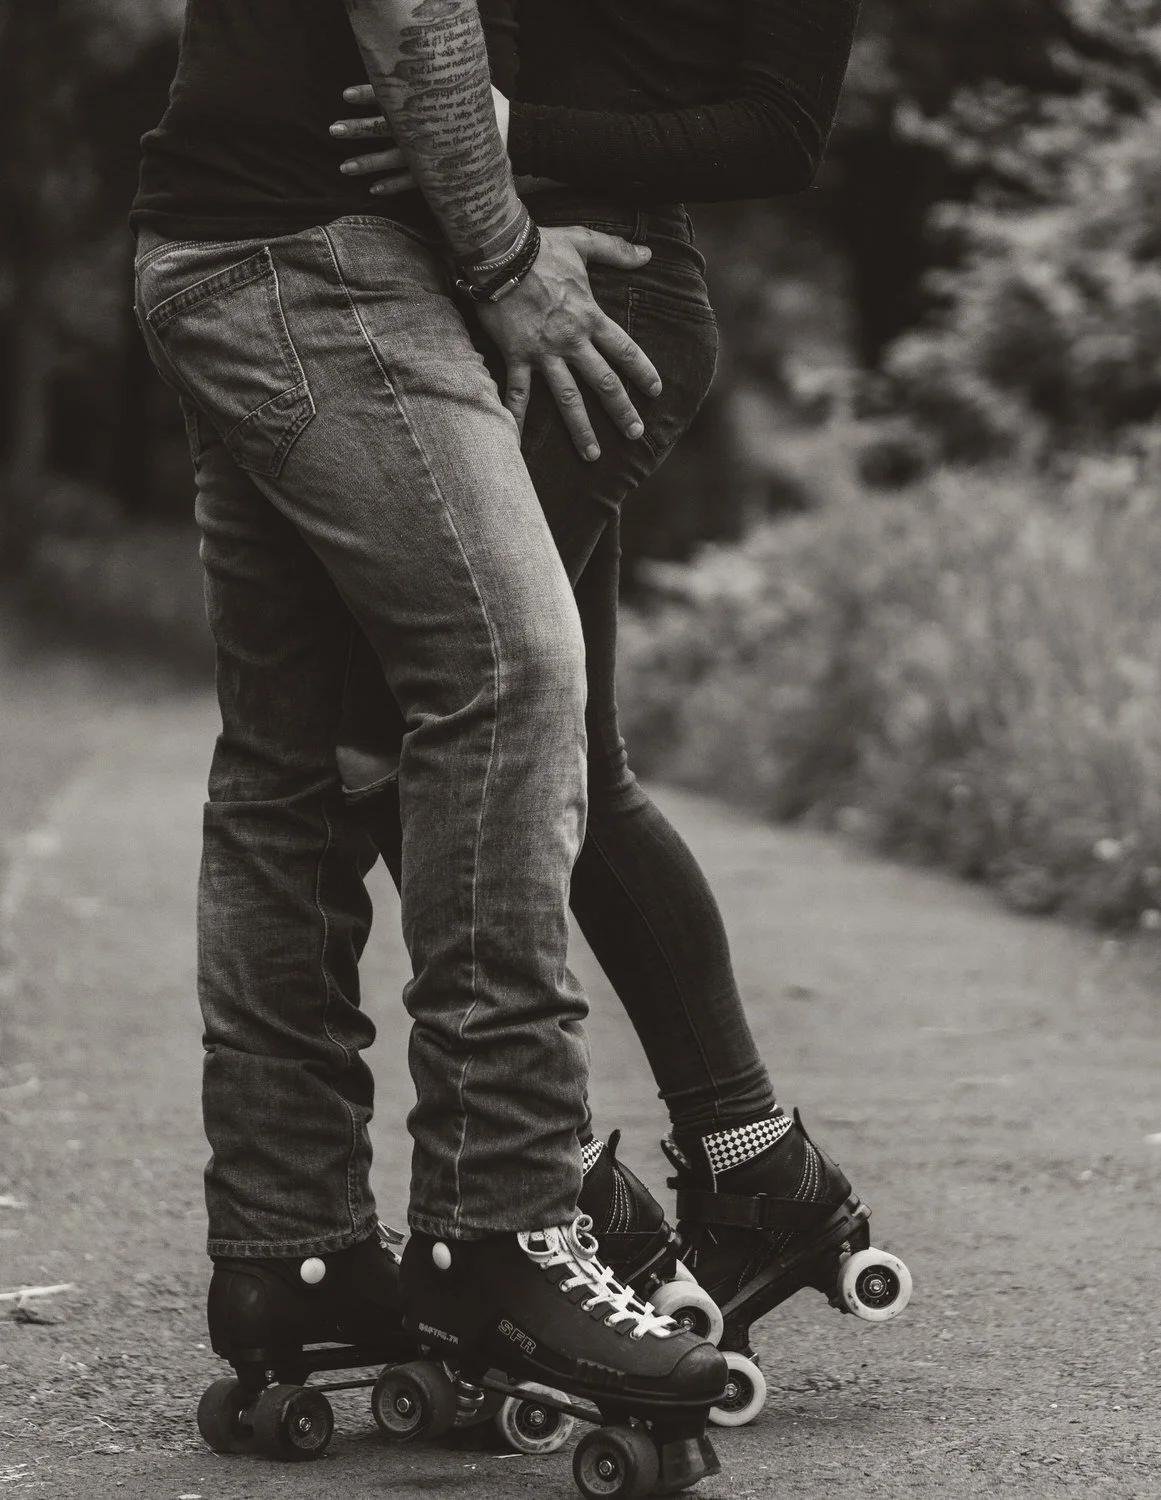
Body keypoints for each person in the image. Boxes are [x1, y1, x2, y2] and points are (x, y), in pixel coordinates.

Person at [130, 0, 730, 1469]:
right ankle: (500, 1227)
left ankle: (297, 1261)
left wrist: (494, 233)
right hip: (317, 263)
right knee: (516, 673)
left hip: (251, 240)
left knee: (291, 776)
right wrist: (510, 258)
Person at [327, 0, 909, 1425]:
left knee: (429, 735)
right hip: (482, 283)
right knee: (564, 761)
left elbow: (782, 128)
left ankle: (549, 1196)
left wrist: (508, 134)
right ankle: (745, 1163)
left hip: (606, 300)